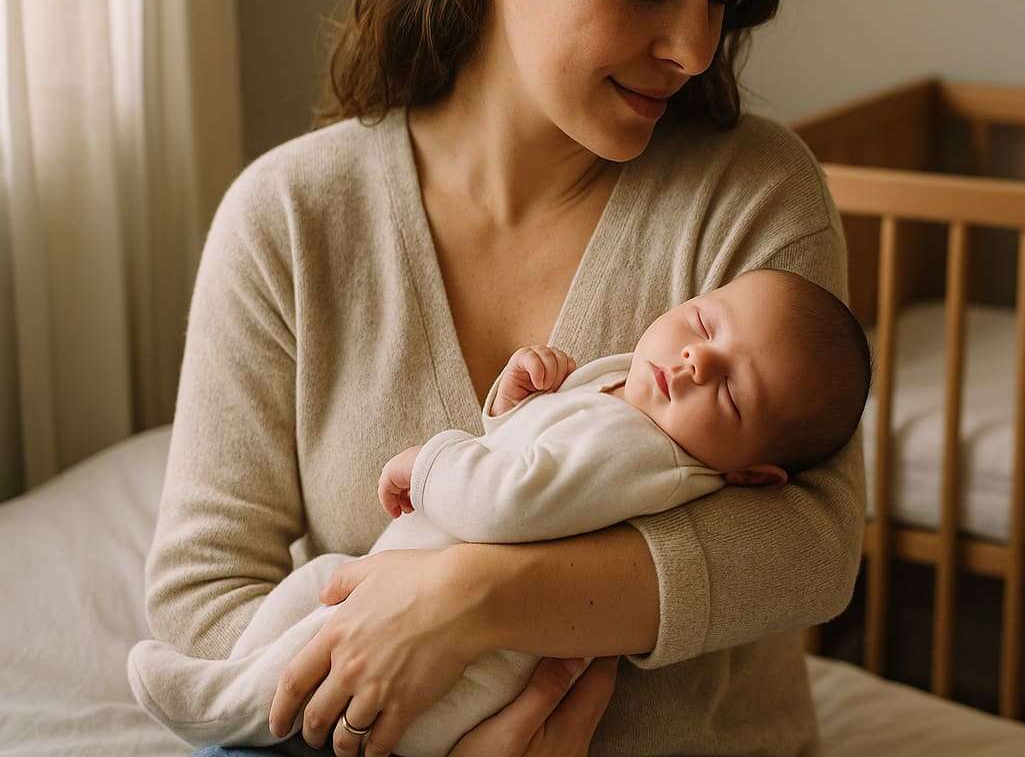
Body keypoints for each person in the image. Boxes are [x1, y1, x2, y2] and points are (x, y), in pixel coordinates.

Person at [140, 0, 866, 755]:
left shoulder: (749, 192)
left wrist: (475, 598)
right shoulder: (291, 222)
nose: (696, 48)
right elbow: (200, 604)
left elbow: (810, 546)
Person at [130, 271, 872, 756]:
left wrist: (428, 461)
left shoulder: (646, 449)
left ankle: (225, 703)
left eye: (733, 394)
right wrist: (521, 405)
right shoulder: (625, 392)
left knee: (323, 619)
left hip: (461, 684)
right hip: (395, 613)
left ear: (751, 473)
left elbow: (507, 500)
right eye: (704, 326)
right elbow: (536, 457)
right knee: (322, 583)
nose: (695, 363)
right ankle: (238, 672)